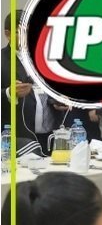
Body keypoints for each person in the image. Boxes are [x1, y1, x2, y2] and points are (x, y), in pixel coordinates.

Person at [2, 10, 62, 154]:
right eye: (20, 32)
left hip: (51, 136)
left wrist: (59, 100)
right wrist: (9, 92)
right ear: (8, 34)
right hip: (20, 139)